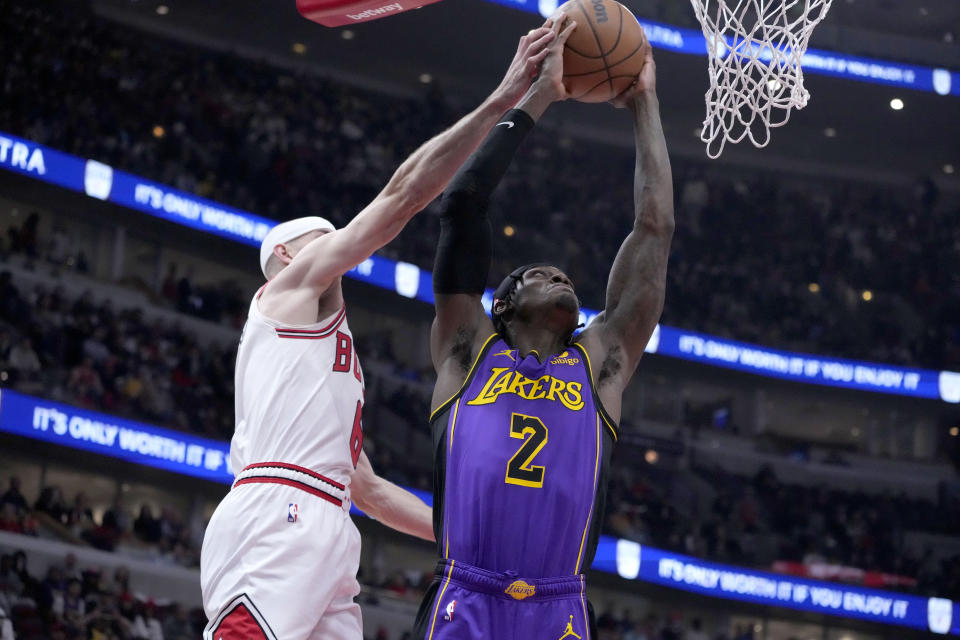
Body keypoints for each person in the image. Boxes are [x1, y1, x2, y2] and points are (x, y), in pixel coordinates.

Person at [199, 23, 563, 640]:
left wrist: (467, 538)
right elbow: (400, 199)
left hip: (329, 519)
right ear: (287, 256)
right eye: (324, 233)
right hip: (275, 509)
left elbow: (366, 488)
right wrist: (504, 98)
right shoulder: (283, 296)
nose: (339, 239)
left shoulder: (332, 366)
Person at [413, 19, 674, 640]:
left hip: (558, 607)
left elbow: (655, 228)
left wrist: (645, 104)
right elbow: (462, 205)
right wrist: (540, 95)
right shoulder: (467, 349)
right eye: (537, 273)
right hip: (467, 594)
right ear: (500, 305)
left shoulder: (600, 363)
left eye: (562, 276)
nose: (559, 275)